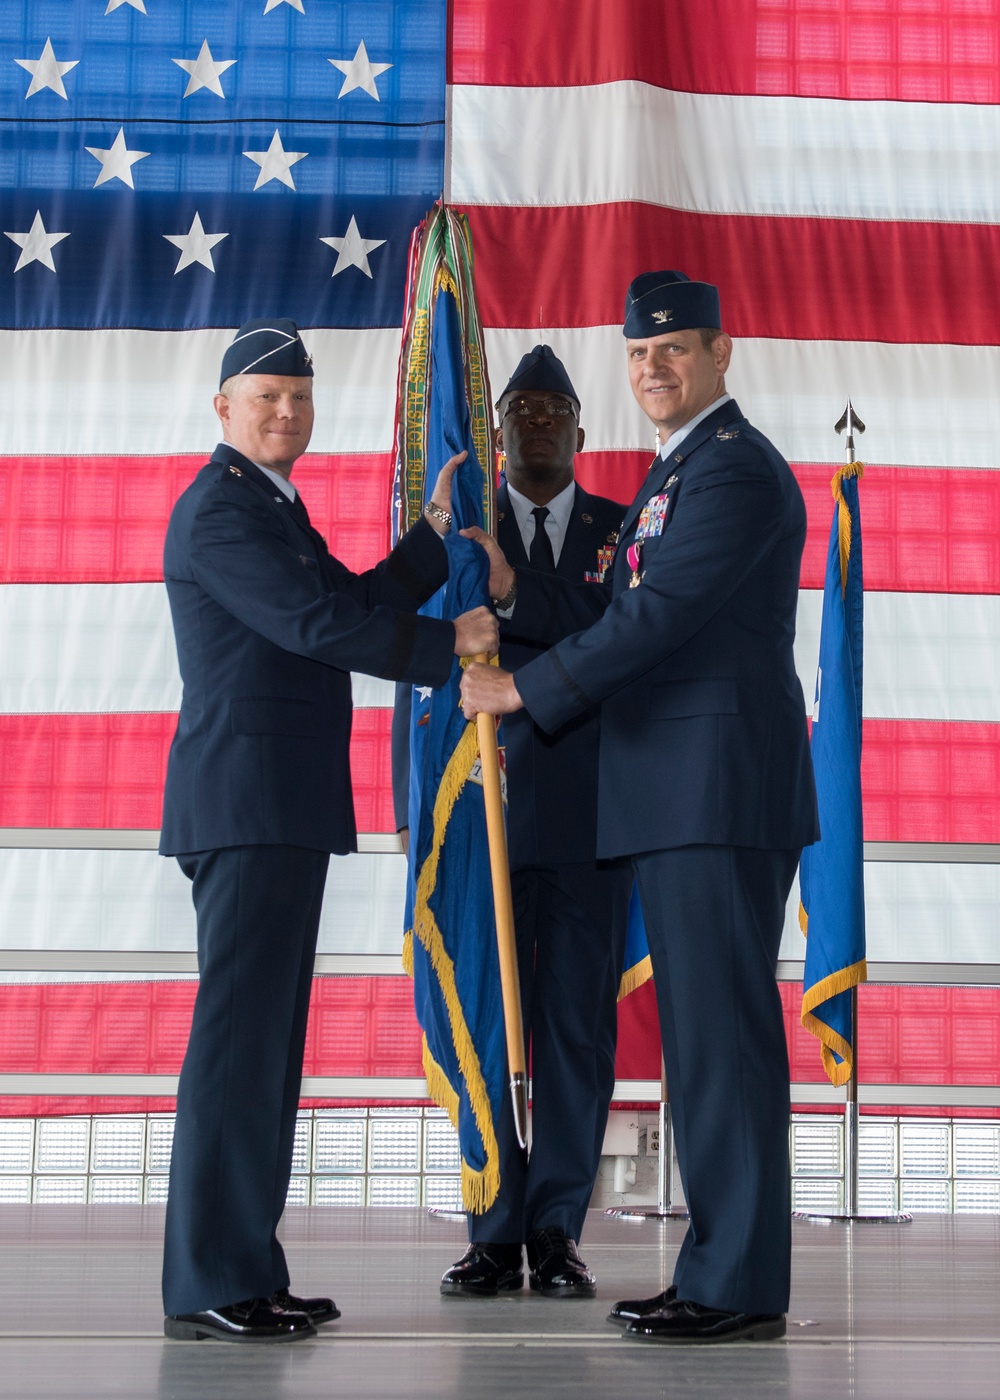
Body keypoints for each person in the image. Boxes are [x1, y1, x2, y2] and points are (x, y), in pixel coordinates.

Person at [460, 273, 819, 1343]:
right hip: (675, 794)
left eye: (672, 349)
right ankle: (718, 1267)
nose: (652, 368)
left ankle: (736, 1281)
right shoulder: (679, 473)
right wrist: (517, 593)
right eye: (637, 354)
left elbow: (655, 619)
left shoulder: (736, 473)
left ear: (719, 352)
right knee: (703, 1044)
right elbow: (613, 600)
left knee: (724, 1044)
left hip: (712, 792)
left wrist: (524, 685)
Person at [159, 318, 498, 1344]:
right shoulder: (219, 512)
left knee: (263, 1049)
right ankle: (211, 1275)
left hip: (277, 804)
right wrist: (453, 644)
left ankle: (246, 1267)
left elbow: (339, 600)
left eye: (300, 395)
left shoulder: (268, 506)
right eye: (267, 395)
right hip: (248, 803)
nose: (287, 411)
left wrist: (432, 544)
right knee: (238, 1047)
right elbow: (317, 628)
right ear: (222, 408)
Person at [395, 346, 632, 1299]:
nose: (536, 422)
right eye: (519, 410)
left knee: (575, 1033)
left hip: (588, 825)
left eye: (553, 410)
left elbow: (621, 630)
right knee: (486, 1026)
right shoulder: (463, 532)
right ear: (494, 433)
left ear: (580, 429)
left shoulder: (624, 533)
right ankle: (494, 1224)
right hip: (478, 821)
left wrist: (515, 599)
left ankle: (557, 1230)